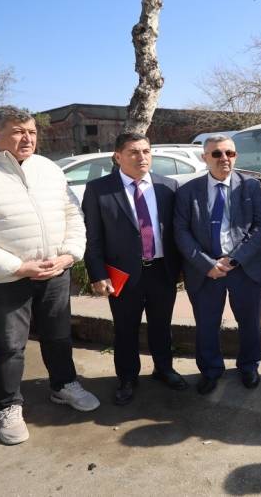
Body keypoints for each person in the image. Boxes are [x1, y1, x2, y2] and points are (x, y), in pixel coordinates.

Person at [0, 106, 99, 446]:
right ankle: (8, 405)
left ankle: (63, 385)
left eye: (32, 132)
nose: (28, 138)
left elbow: (72, 212)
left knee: (58, 336)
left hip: (54, 271)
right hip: (3, 280)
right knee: (10, 346)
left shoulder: (47, 168)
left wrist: (70, 254)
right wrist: (15, 267)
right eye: (18, 131)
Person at [82, 132, 186, 405]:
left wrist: (182, 268)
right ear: (118, 157)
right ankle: (127, 377)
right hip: (123, 274)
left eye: (146, 151)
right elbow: (92, 238)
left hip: (161, 270)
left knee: (162, 325)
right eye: (134, 152)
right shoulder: (99, 189)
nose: (142, 157)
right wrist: (98, 274)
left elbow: (176, 231)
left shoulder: (168, 186)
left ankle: (164, 368)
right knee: (125, 328)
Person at [174, 135, 261, 394]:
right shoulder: (187, 191)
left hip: (245, 267)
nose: (224, 158)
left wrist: (235, 258)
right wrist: (206, 264)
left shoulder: (251, 187)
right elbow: (181, 232)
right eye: (217, 154)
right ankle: (210, 370)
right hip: (205, 271)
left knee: (250, 322)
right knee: (206, 324)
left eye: (230, 153)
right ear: (204, 157)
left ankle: (249, 366)